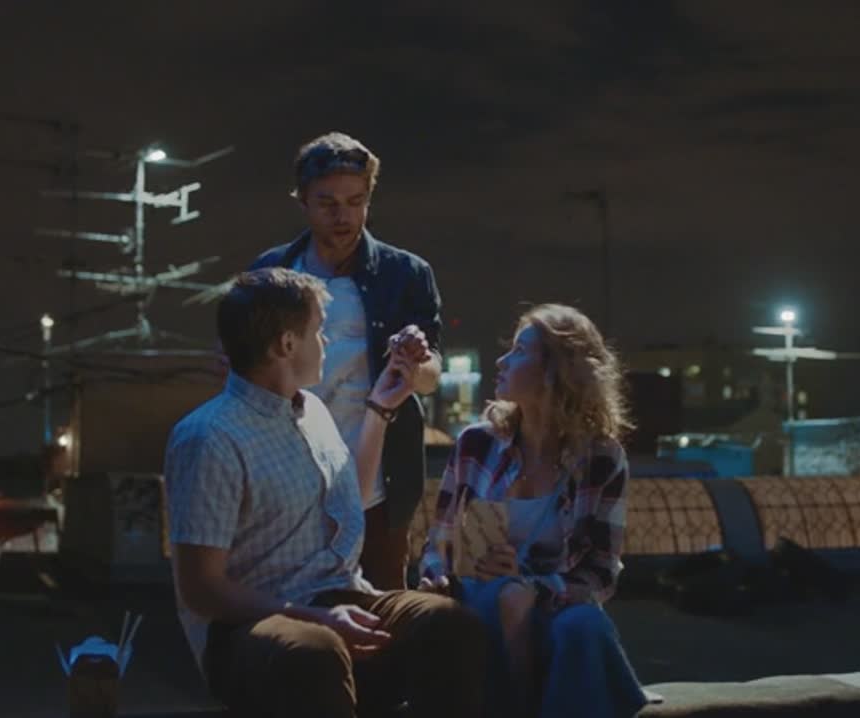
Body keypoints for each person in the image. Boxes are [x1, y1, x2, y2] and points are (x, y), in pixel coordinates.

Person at [165, 268, 485, 718]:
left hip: (339, 596)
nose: (327, 342)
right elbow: (201, 589)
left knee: (447, 623)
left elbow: (347, 499)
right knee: (314, 651)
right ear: (285, 344)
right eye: (318, 331)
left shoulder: (311, 409)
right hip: (251, 626)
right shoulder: (209, 437)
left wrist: (379, 409)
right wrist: (314, 617)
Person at [418, 304, 648, 718]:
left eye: (520, 351)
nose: (502, 361)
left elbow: (601, 571)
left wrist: (534, 589)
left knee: (584, 624)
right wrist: (437, 576)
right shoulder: (476, 444)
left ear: (556, 371)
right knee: (504, 597)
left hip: (552, 602)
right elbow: (439, 540)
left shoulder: (601, 457)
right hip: (479, 596)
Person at [248, 131, 443, 590]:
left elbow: (432, 376)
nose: (343, 217)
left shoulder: (405, 273)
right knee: (288, 600)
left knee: (382, 604)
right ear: (303, 201)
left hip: (378, 484)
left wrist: (413, 365)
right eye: (328, 203)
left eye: (356, 202)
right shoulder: (271, 274)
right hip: (288, 477)